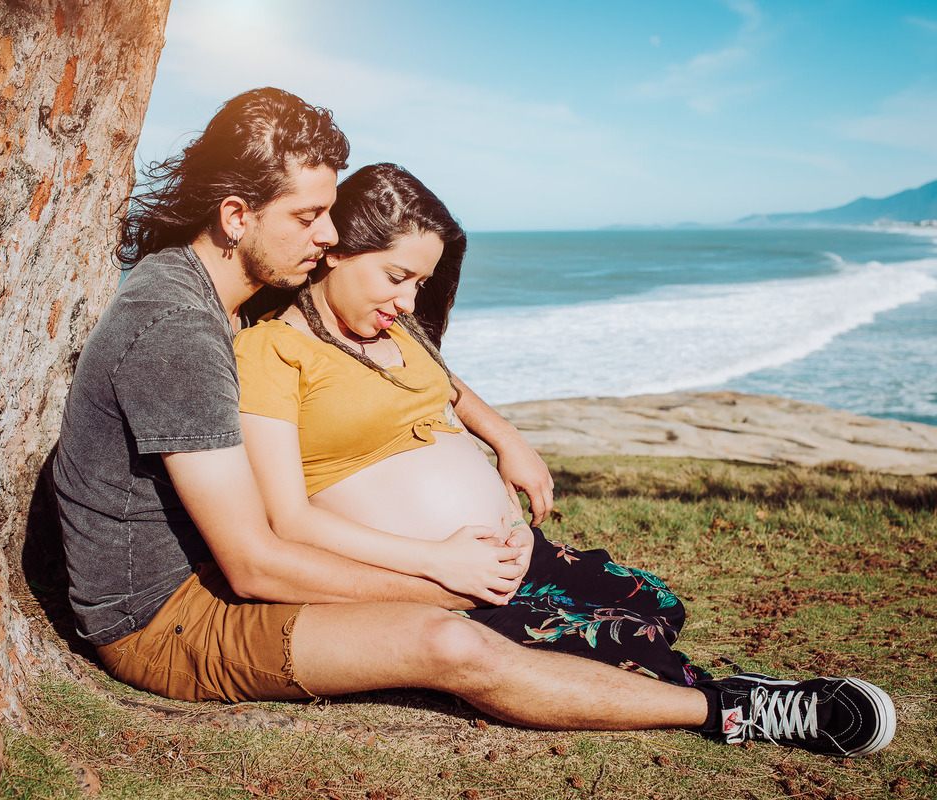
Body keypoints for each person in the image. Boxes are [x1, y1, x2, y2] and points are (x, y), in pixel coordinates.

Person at [53, 86, 896, 758]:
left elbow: (387, 368)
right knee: (450, 646)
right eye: (308, 219)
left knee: (530, 619)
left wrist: (492, 454)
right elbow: (254, 563)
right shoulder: (179, 330)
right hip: (169, 623)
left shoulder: (212, 297)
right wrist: (447, 582)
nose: (329, 235)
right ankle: (735, 710)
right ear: (237, 217)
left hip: (213, 578)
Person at [234, 162, 707, 686]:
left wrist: (506, 441)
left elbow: (448, 387)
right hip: (435, 581)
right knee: (644, 660)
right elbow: (289, 520)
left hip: (512, 555)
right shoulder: (272, 351)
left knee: (659, 605)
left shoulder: (392, 329)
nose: (408, 302)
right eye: (396, 277)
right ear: (337, 251)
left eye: (420, 283)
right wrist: (438, 560)